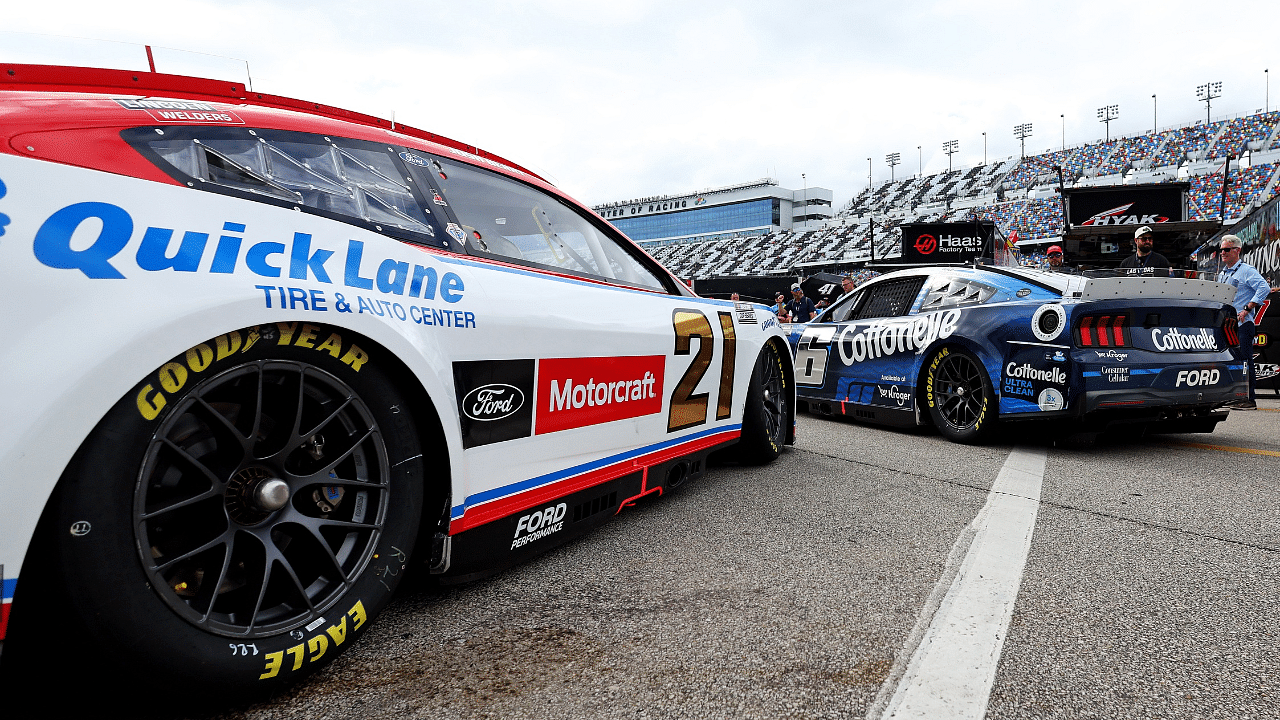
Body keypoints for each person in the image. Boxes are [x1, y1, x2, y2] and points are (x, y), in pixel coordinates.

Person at [1216, 234, 1271, 410]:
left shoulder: (1246, 270)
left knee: (1245, 361)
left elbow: (1264, 287)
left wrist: (1248, 308)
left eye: (1226, 249)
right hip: (1225, 326)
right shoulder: (1222, 273)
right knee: (1230, 361)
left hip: (1242, 325)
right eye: (1221, 250)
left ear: (1237, 250)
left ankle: (1249, 399)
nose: (1222, 253)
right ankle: (1233, 396)